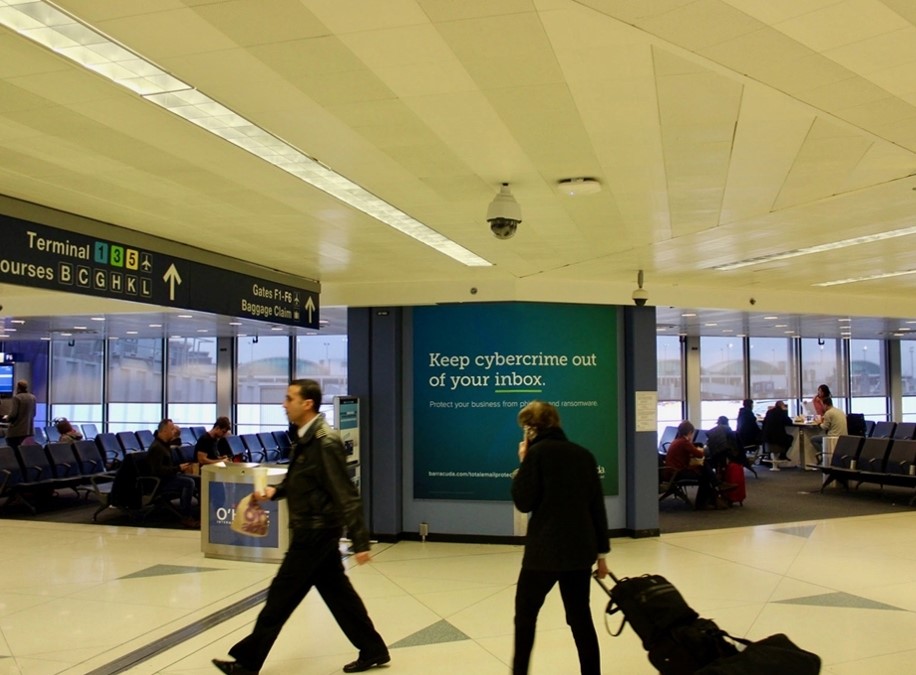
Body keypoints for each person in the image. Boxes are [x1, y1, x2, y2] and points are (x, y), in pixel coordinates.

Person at [212, 379, 388, 675]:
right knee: (339, 595)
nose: (284, 404)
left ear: (307, 404)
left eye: (289, 398)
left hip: (315, 533)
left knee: (280, 597)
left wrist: (360, 542)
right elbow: (304, 481)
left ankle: (246, 663)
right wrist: (274, 492)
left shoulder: (325, 441)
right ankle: (373, 649)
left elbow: (345, 493)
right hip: (315, 530)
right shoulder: (307, 437)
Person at [511, 400, 609, 675]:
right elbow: (596, 508)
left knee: (526, 618)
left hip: (542, 554)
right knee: (580, 620)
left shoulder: (536, 455)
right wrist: (602, 556)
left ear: (530, 429)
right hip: (580, 552)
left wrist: (522, 462)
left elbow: (524, 501)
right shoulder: (583, 455)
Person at [147, 418, 199, 528]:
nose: (174, 432)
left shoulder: (164, 445)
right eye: (171, 429)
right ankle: (186, 516)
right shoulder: (157, 448)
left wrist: (178, 468)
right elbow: (157, 471)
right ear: (164, 431)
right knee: (188, 482)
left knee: (194, 479)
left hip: (168, 477)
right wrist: (177, 468)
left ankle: (198, 512)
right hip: (160, 482)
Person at [664, 421, 722, 510]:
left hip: (671, 471)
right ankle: (708, 496)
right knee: (704, 474)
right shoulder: (684, 442)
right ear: (689, 432)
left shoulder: (676, 441)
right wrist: (703, 450)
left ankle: (712, 494)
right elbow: (699, 454)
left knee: (704, 469)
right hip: (677, 473)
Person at [4, 380, 37, 451]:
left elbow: (13, 414)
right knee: (25, 452)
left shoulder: (17, 398)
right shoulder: (33, 397)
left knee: (13, 451)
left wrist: (7, 418)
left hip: (16, 431)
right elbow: (34, 413)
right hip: (29, 431)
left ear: (18, 387)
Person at [762, 401, 793, 470]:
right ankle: (783, 455)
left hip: (767, 437)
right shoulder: (782, 413)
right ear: (782, 406)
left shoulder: (769, 412)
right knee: (790, 438)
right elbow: (789, 422)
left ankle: (773, 456)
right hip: (777, 438)